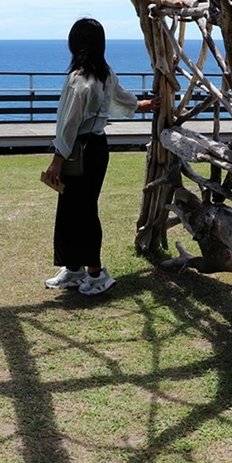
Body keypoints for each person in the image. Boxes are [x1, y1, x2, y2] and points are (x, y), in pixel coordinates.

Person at [43, 17, 159, 295]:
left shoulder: (79, 79)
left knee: (78, 210)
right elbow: (121, 99)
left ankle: (95, 274)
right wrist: (144, 105)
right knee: (79, 208)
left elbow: (68, 124)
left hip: (77, 151)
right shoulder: (105, 74)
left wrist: (57, 159)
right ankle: (74, 269)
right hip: (97, 149)